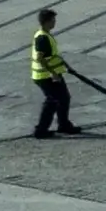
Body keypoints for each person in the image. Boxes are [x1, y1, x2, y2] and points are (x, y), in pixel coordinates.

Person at [28, 9, 78, 140]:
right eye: (53, 20)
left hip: (51, 74)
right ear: (46, 22)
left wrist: (65, 66)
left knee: (64, 98)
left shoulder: (45, 35)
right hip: (45, 76)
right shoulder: (43, 38)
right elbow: (40, 58)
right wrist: (53, 73)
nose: (55, 23)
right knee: (52, 101)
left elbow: (53, 55)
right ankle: (40, 130)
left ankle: (64, 125)